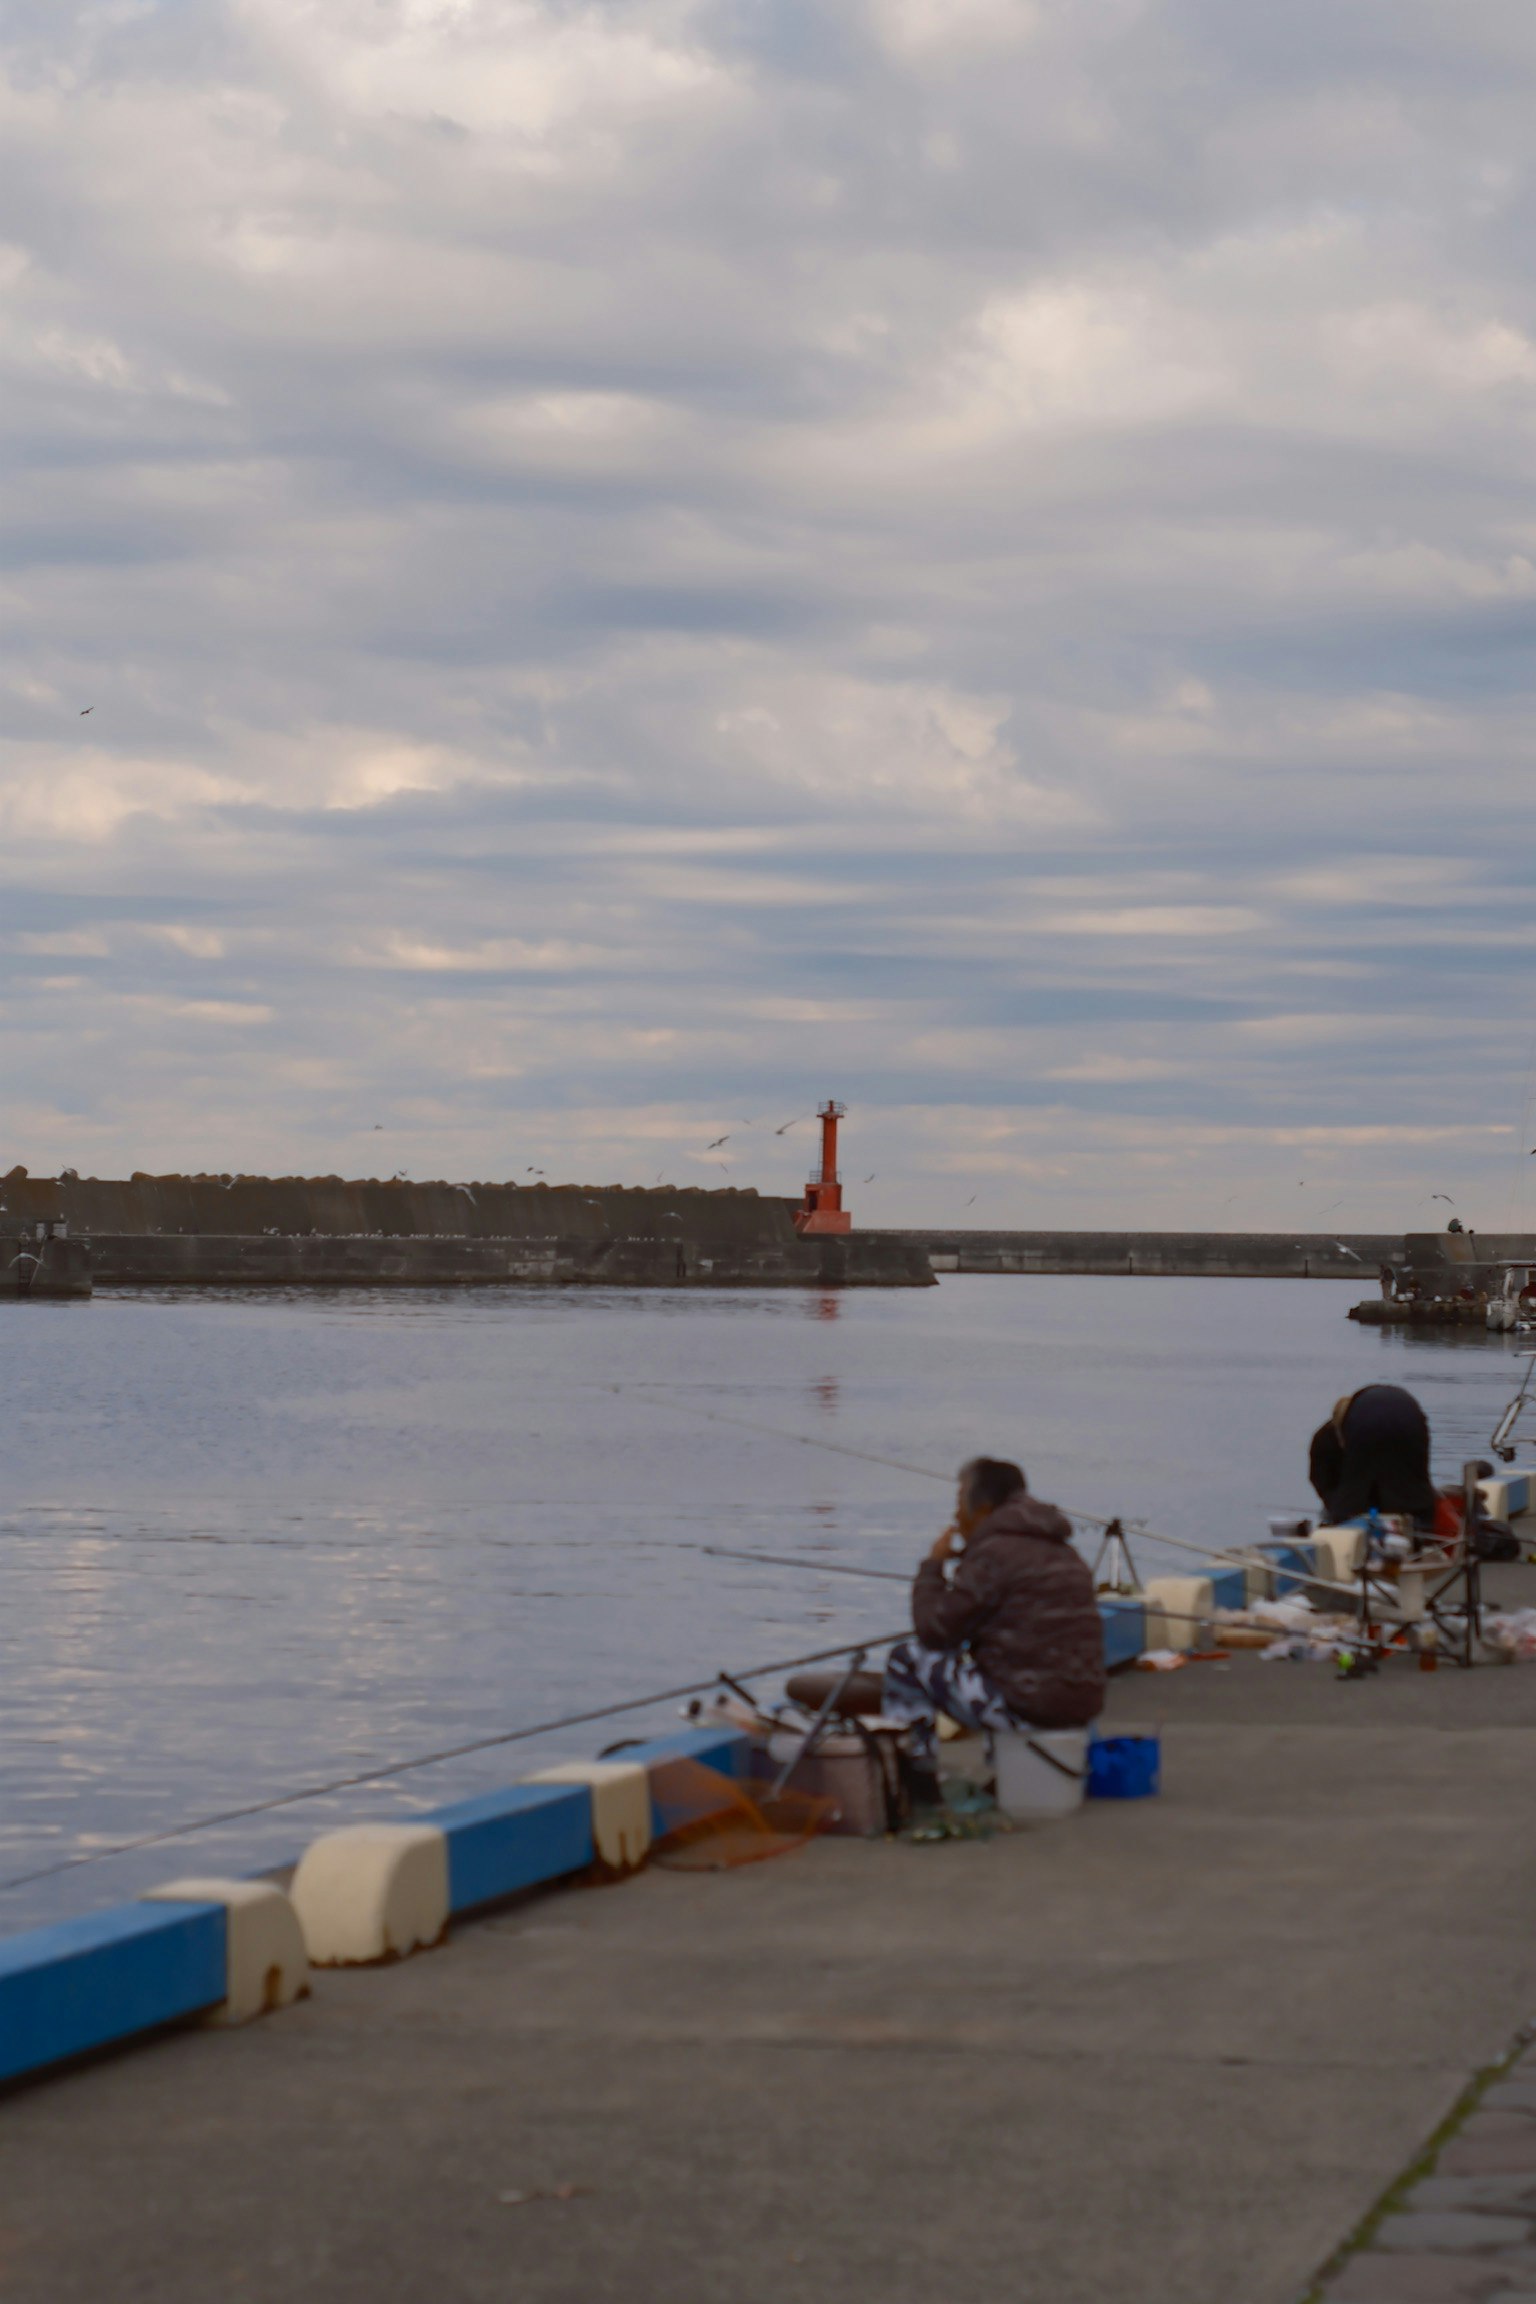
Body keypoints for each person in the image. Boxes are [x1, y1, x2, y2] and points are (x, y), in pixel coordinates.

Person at [881, 1456, 1106, 1768]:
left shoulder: (993, 1554)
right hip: (1081, 1708)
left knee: (906, 1659)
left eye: (959, 1502)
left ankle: (915, 1776)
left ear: (983, 1509)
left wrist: (932, 1567)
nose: (956, 1516)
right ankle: (1004, 1775)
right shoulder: (1063, 1550)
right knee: (997, 1662)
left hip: (1029, 1710)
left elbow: (933, 1631)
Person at [1308, 1384, 1438, 1527]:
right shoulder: (1328, 1440)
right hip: (1409, 1415)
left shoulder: (1336, 1435)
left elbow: (1326, 1482)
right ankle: (1421, 1529)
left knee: (1352, 1499)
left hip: (1382, 1424)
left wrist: (1339, 1510)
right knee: (1412, 1491)